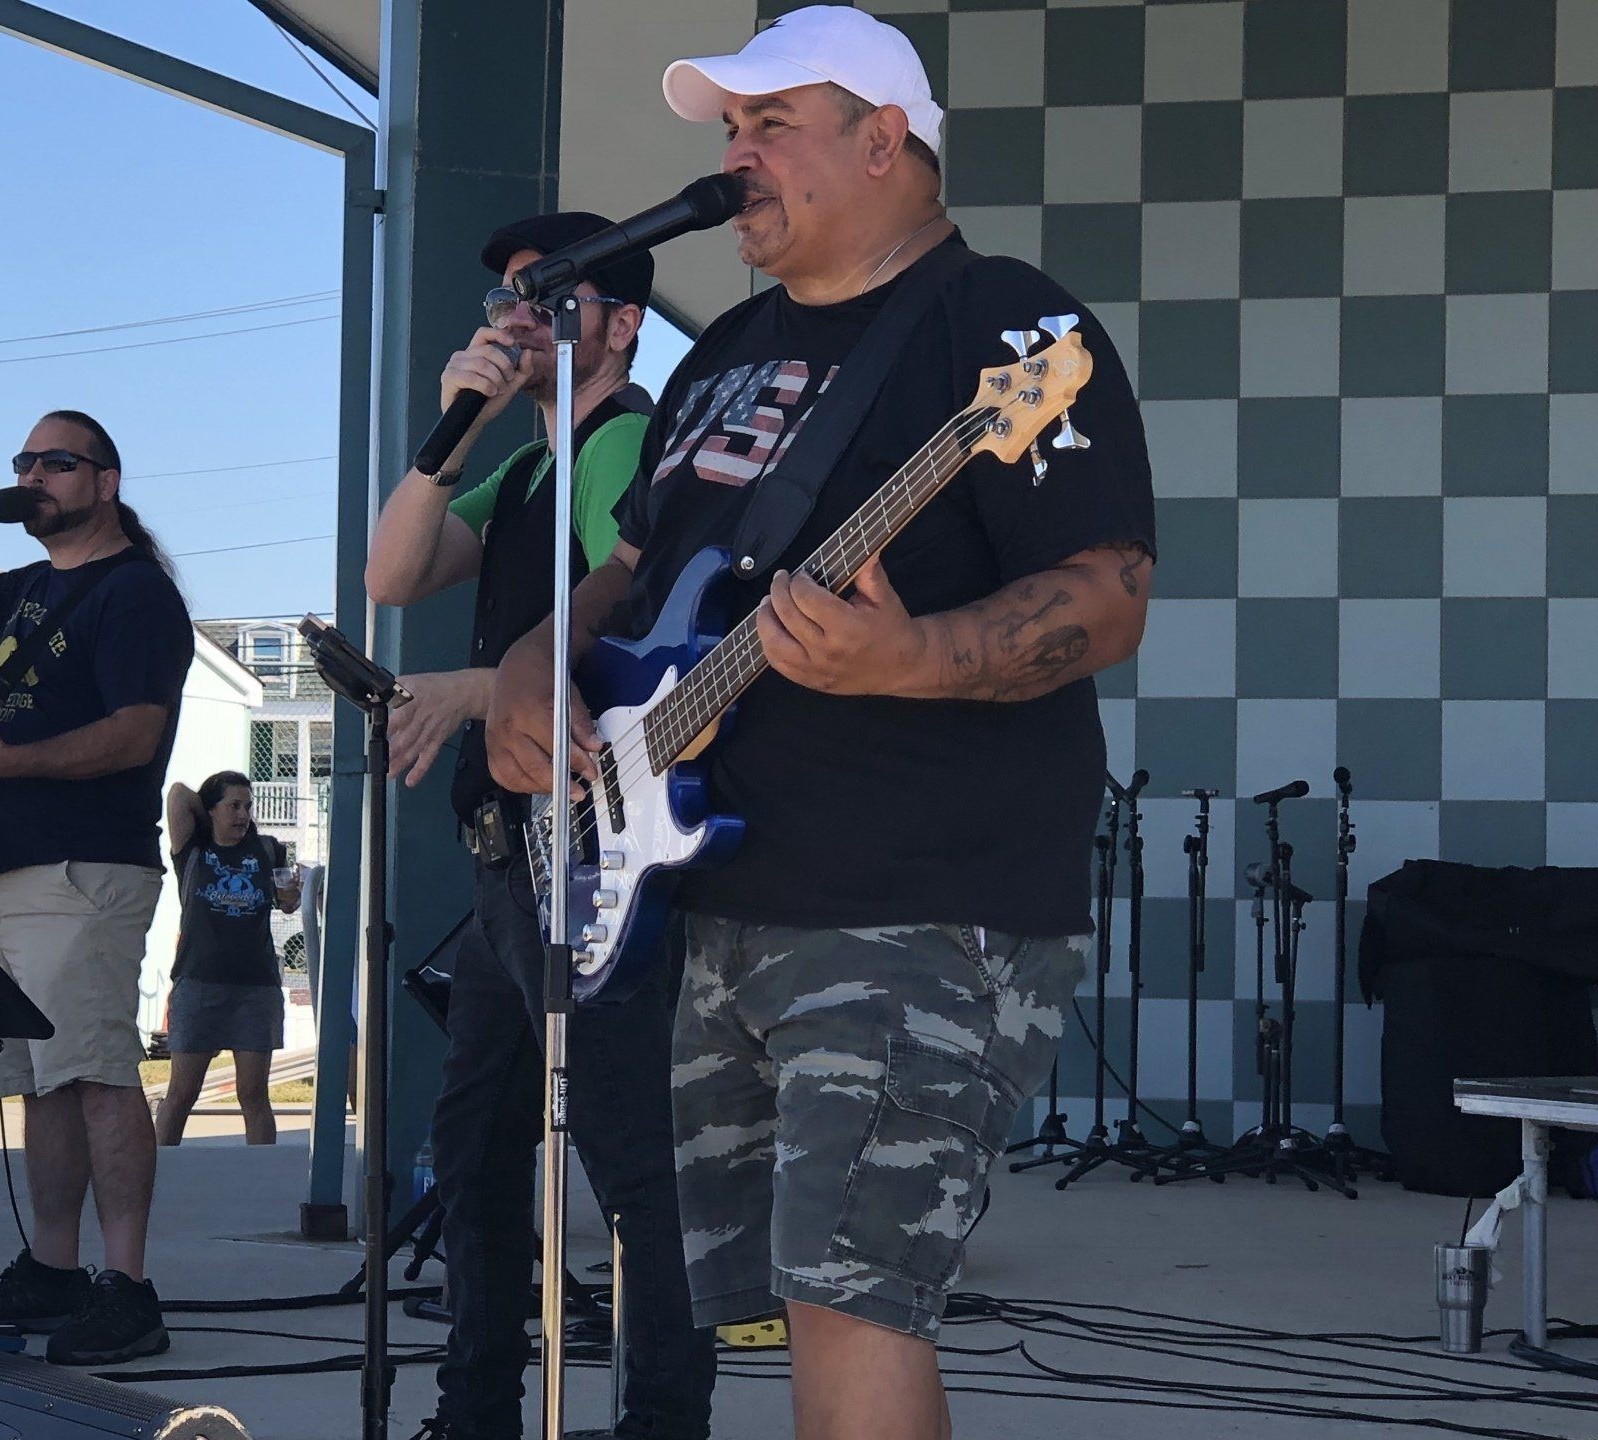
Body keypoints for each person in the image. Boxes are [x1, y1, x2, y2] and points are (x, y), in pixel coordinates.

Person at [484, 10, 1156, 1440]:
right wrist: (541, 659)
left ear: (885, 141)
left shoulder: (1010, 330)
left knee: (858, 1297)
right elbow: (640, 567)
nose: (735, 158)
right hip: (709, 897)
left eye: (768, 124)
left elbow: (1106, 593)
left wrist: (909, 655)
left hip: (918, 897)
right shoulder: (724, 345)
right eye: (727, 131)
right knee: (793, 1298)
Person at [365, 213, 716, 1440]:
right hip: (512, 854)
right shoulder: (522, 471)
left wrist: (477, 691)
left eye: (551, 298)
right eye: (514, 296)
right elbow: (394, 576)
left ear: (621, 325)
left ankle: (660, 1417)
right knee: (476, 1147)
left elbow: (651, 623)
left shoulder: (626, 443)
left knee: (626, 1157)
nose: (522, 317)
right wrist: (450, 428)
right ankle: (477, 1410)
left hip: (589, 853)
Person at [0, 410, 193, 1365]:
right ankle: (56, 1270)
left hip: (87, 867)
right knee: (37, 1081)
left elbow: (134, 735)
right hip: (10, 868)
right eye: (26, 462)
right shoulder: (29, 587)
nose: (34, 476)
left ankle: (129, 1286)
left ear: (105, 483)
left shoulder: (136, 594)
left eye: (56, 463)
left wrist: (8, 759)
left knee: (98, 1074)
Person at [155, 771, 299, 1147]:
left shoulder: (268, 851)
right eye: (233, 806)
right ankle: (157, 1170)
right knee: (182, 1093)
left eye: (248, 806)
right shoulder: (194, 851)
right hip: (198, 983)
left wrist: (291, 896)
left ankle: (260, 1174)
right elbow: (178, 793)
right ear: (212, 810)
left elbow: (288, 904)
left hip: (255, 988)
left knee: (253, 1094)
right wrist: (207, 819)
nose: (242, 815)